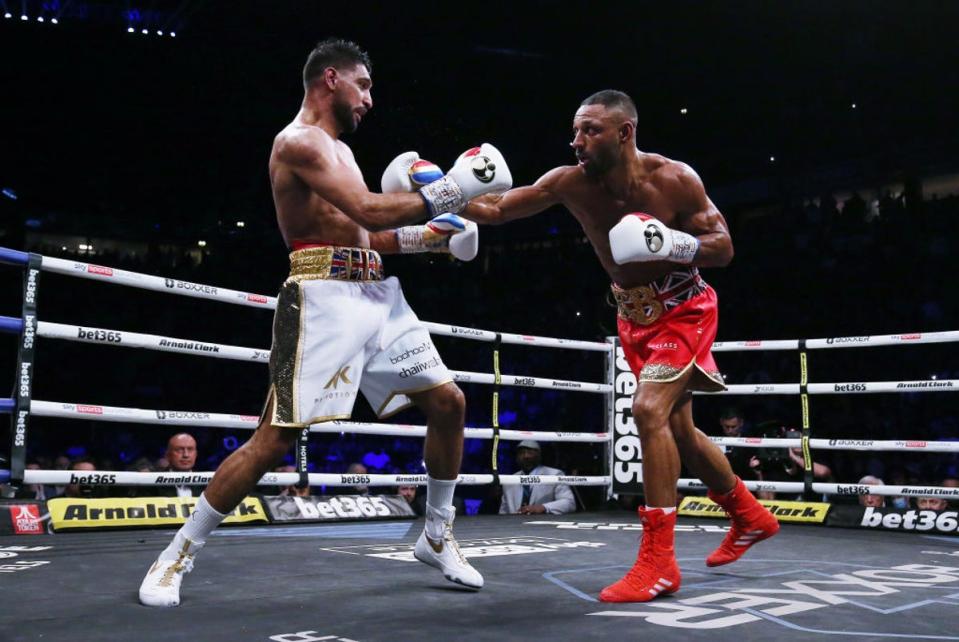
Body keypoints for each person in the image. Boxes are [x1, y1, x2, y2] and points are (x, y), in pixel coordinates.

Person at [139, 38, 512, 607]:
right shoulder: (299, 142)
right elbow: (367, 210)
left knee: (450, 403)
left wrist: (434, 239)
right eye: (363, 86)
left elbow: (367, 235)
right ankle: (176, 555)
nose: (369, 100)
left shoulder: (340, 151)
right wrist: (456, 186)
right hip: (321, 296)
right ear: (331, 79)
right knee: (275, 440)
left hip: (377, 295)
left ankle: (437, 535)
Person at [463, 89, 779, 602]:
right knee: (679, 430)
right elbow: (498, 209)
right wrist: (442, 191)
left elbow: (723, 247)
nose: (577, 141)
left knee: (648, 410)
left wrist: (673, 242)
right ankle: (749, 515)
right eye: (575, 130)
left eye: (590, 130)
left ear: (624, 132)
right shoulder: (569, 182)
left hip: (685, 311)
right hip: (633, 319)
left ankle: (658, 564)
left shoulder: (674, 179)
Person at [499, 440, 575, 515]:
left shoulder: (554, 475)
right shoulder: (509, 480)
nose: (526, 456)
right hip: (513, 525)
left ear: (539, 455)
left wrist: (543, 507)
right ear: (517, 457)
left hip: (543, 524)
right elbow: (503, 512)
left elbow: (569, 503)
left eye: (530, 452)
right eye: (522, 453)